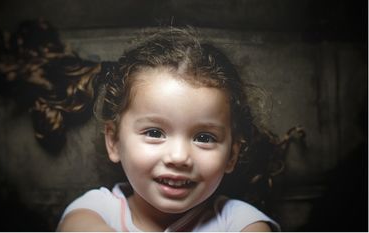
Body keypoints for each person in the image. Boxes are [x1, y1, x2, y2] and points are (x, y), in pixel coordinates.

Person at [57, 28, 281, 232]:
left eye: (204, 137)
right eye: (154, 133)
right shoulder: (95, 212)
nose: (179, 157)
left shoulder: (240, 222)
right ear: (114, 141)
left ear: (232, 154)